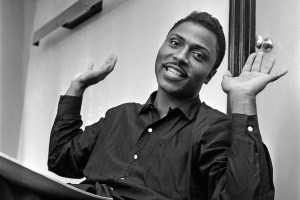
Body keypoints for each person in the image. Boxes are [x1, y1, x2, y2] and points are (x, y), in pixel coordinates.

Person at [48, 11, 287, 200]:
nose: (180, 56)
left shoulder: (213, 130)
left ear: (210, 75)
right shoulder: (119, 115)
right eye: (175, 43)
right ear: (161, 48)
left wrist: (243, 100)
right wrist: (76, 89)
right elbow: (60, 160)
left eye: (198, 55)